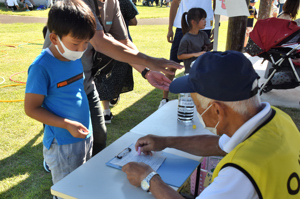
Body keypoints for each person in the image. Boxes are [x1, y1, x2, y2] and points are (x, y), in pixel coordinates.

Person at [122, 51, 300, 198]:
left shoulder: (240, 172)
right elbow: (219, 145)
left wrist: (149, 179)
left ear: (217, 111)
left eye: (197, 106)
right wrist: (166, 141)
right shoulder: (279, 120)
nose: (197, 111)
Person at [43, 0, 182, 158]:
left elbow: (124, 42)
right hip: (61, 86)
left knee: (99, 136)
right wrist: (149, 60)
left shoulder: (112, 2)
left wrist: (147, 72)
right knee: (66, 141)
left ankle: (90, 171)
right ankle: (53, 158)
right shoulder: (81, 2)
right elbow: (100, 42)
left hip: (86, 82)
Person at [24, 0, 95, 192]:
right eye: (76, 43)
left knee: (82, 185)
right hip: (62, 144)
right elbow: (31, 108)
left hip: (84, 134)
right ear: (54, 38)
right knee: (66, 191)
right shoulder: (41, 67)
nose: (81, 49)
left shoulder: (74, 56)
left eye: (86, 43)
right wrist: (66, 124)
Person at [158, 0, 215, 108]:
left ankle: (200, 100)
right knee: (173, 64)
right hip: (182, 25)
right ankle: (164, 99)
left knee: (202, 65)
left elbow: (216, 4)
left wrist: (215, 25)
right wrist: (170, 28)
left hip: (206, 27)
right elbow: (174, 3)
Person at [99, 0, 139, 123]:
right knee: (115, 73)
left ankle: (106, 110)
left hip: (105, 44)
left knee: (104, 76)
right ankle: (111, 101)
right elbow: (134, 21)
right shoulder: (124, 2)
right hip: (117, 43)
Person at [177, 8, 210, 74]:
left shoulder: (203, 34)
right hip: (190, 72)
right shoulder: (186, 39)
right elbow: (180, 56)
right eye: (203, 19)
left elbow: (208, 48)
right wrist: (195, 54)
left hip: (202, 70)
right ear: (193, 22)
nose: (205, 21)